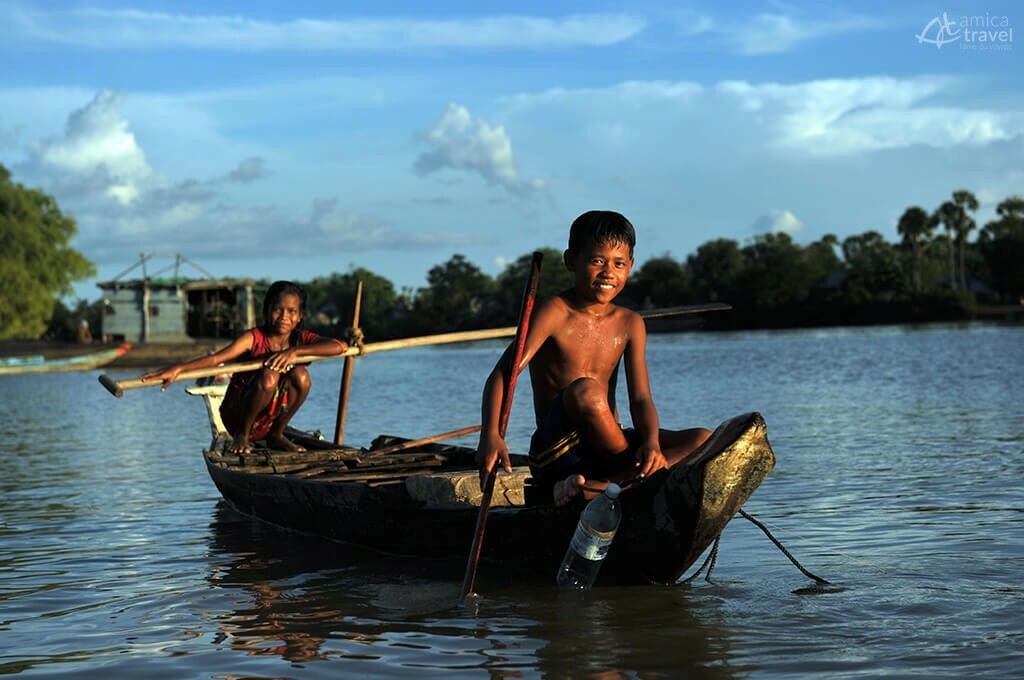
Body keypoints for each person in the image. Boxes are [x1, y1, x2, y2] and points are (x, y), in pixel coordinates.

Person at [476, 210, 712, 506]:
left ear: (631, 267)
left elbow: (640, 399)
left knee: (703, 439)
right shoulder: (554, 312)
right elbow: (502, 375)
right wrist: (490, 436)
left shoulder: (630, 323)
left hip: (612, 441)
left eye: (619, 264)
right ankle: (634, 476)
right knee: (586, 391)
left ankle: (598, 488)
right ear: (571, 261)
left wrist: (651, 443)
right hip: (562, 449)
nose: (608, 273)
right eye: (597, 261)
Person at [140, 281, 348, 454]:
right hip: (237, 417)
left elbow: (340, 346)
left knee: (302, 375)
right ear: (267, 311)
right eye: (277, 309)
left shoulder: (300, 340)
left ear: (299, 316)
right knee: (269, 377)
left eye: (291, 311)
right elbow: (216, 360)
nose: (284, 316)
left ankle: (277, 434)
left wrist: (293, 353)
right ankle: (242, 437)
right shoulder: (254, 338)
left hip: (269, 419)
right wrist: (178, 369)